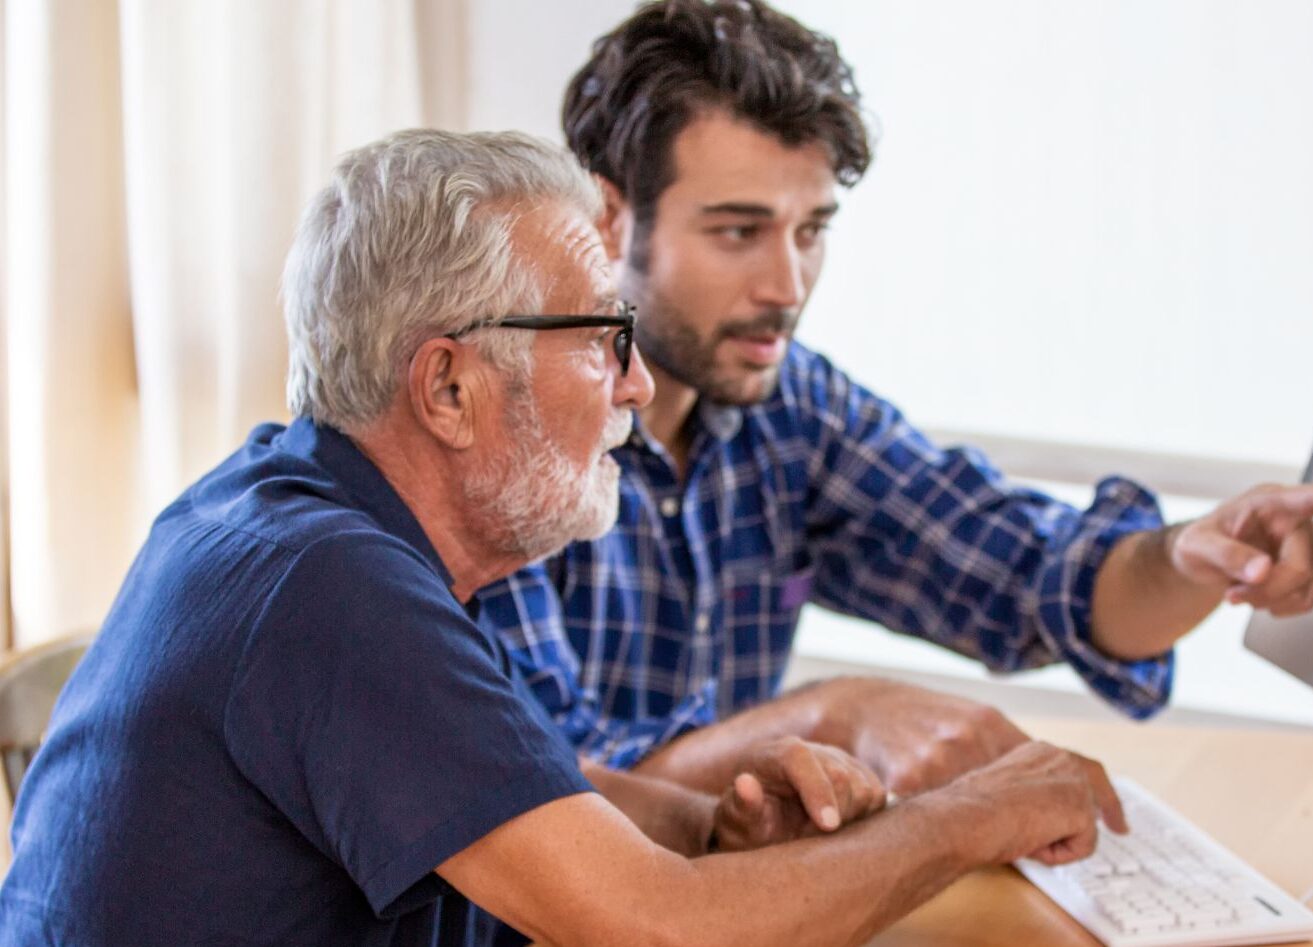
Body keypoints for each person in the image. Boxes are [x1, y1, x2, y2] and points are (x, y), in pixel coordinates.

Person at [0, 129, 1126, 947]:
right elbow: (656, 933)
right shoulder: (329, 589)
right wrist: (977, 814)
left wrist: (701, 825)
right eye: (601, 339)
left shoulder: (294, 513)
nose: (639, 383)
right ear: (447, 384)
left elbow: (490, 785)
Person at [476, 0, 1313, 798]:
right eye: (739, 231)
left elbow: (1031, 578)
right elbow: (551, 789)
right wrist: (837, 715)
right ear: (607, 216)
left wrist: (1192, 554)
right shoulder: (505, 439)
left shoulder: (792, 409)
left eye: (812, 230)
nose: (787, 284)